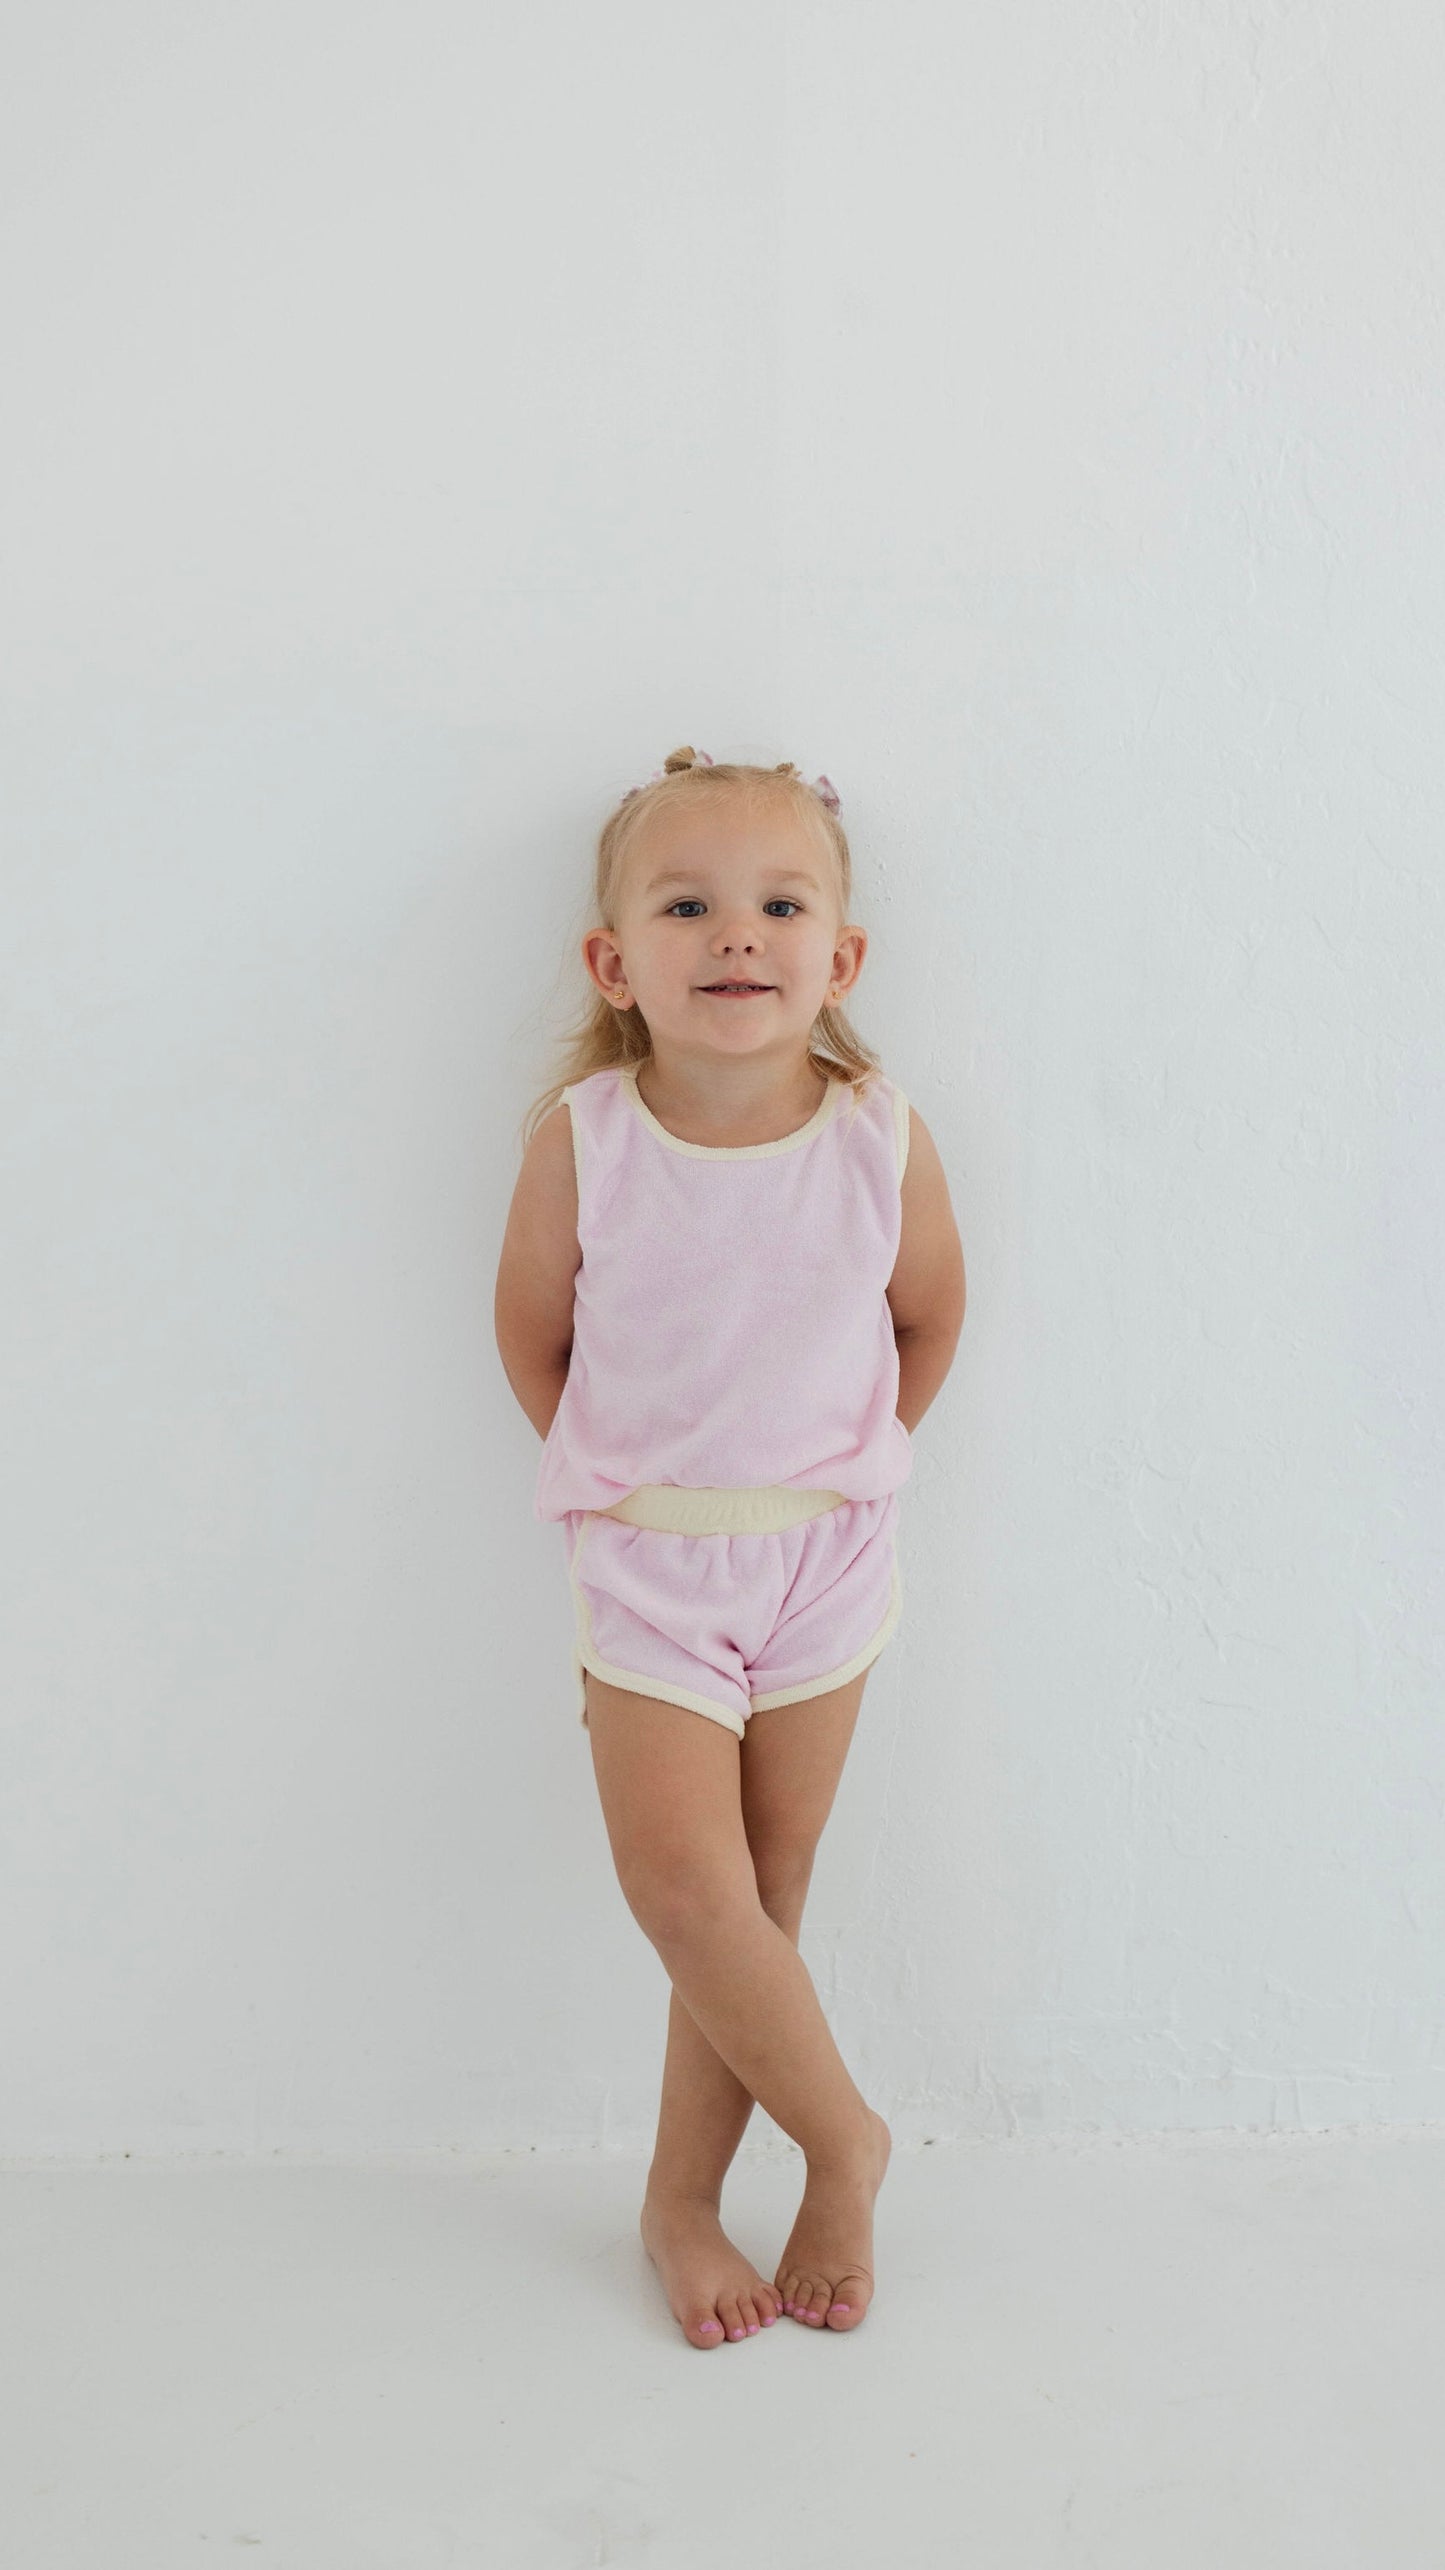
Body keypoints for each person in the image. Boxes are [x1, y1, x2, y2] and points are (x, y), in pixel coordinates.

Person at [494, 746, 966, 2348]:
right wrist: (636, 1483)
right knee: (686, 1885)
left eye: (778, 904)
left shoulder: (875, 1136)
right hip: (650, 1566)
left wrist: (845, 1467)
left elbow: (927, 1315)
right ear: (615, 962)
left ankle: (679, 2199)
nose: (735, 935)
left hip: (823, 1559)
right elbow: (531, 1336)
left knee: (764, 1888)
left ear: (838, 957)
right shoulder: (591, 1136)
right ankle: (847, 2137)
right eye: (686, 905)